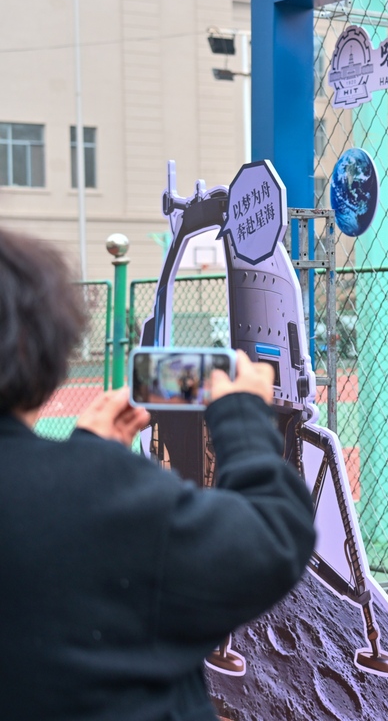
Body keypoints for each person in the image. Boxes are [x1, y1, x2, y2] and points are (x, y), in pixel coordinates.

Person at [0, 228, 316, 720]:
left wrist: (87, 461)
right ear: (35, 349)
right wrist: (244, 421)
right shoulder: (99, 493)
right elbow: (274, 538)